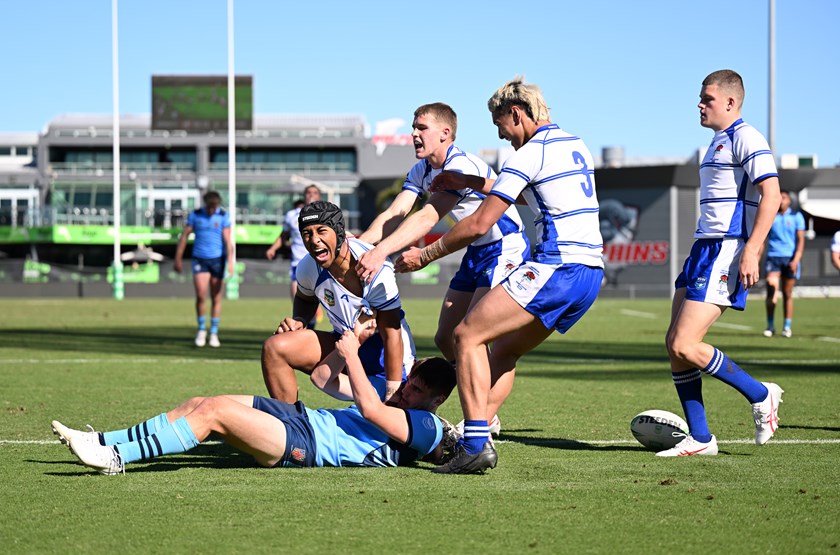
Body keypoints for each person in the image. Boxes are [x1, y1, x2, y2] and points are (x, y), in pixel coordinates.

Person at [396, 77, 604, 473]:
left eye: (500, 125)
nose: (501, 135)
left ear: (517, 113)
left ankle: (475, 444)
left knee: (466, 336)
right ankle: (479, 429)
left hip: (557, 266)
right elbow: (531, 192)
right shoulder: (574, 143)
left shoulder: (527, 154)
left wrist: (426, 254)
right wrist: (471, 182)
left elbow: (479, 223)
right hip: (591, 273)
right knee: (504, 350)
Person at [51, 325, 457, 475]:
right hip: (302, 417)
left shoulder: (425, 425)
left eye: (417, 390)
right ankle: (104, 440)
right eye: (409, 382)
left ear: (437, 401)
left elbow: (369, 409)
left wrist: (353, 355)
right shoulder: (396, 398)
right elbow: (322, 378)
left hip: (308, 445)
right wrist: (351, 341)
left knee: (214, 413)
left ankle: (117, 459)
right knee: (200, 401)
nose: (406, 390)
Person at [356, 102, 530, 435]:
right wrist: (360, 248)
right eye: (414, 127)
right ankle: (479, 401)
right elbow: (395, 213)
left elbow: (428, 216)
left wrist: (381, 252)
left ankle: (484, 417)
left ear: (445, 133)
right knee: (445, 337)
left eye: (421, 127)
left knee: (478, 338)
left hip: (504, 248)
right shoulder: (421, 169)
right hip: (476, 252)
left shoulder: (460, 165)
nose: (414, 133)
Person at [656, 69, 784, 458]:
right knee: (674, 346)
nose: (700, 104)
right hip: (703, 248)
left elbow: (772, 194)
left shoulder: (747, 136)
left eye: (707, 98)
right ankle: (701, 438)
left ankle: (761, 395)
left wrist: (752, 249)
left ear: (730, 102)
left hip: (727, 250)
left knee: (685, 343)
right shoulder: (716, 142)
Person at [262, 200, 415, 404]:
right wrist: (300, 320)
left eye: (321, 231)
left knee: (382, 418)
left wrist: (393, 392)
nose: (314, 240)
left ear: (339, 231)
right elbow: (304, 298)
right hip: (344, 346)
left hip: (387, 362)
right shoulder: (308, 267)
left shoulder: (375, 267)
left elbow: (391, 335)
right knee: (275, 347)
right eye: (307, 233)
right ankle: (289, 419)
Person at [174, 190, 234, 348]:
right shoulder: (195, 215)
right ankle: (201, 329)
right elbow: (184, 236)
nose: (212, 210)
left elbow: (228, 241)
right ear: (205, 204)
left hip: (218, 260)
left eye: (215, 207)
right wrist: (178, 258)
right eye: (210, 206)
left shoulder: (223, 216)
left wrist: (230, 262)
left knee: (216, 297)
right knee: (201, 295)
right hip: (200, 259)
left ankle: (214, 332)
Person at [266, 185, 323, 328]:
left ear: (319, 196)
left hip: (320, 262)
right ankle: (307, 327)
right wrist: (273, 248)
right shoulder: (292, 215)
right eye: (308, 192)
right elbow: (284, 235)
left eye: (315, 192)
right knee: (298, 298)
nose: (311, 195)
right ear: (304, 195)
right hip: (298, 263)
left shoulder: (325, 214)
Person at [762, 190, 806, 338]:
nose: (781, 200)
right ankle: (770, 325)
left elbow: (800, 240)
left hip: (790, 258)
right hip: (773, 257)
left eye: (784, 197)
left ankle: (787, 327)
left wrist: (796, 259)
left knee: (787, 293)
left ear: (789, 201)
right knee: (771, 289)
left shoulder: (796, 216)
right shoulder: (770, 215)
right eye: (779, 197)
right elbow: (762, 238)